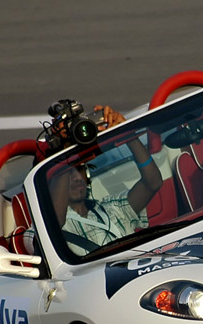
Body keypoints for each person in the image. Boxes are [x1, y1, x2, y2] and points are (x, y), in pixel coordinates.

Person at [48, 105, 162, 253]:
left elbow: (153, 183)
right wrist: (63, 155)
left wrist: (127, 133)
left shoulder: (112, 209)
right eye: (69, 172)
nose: (76, 178)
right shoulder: (41, 229)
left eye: (80, 169)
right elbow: (54, 225)